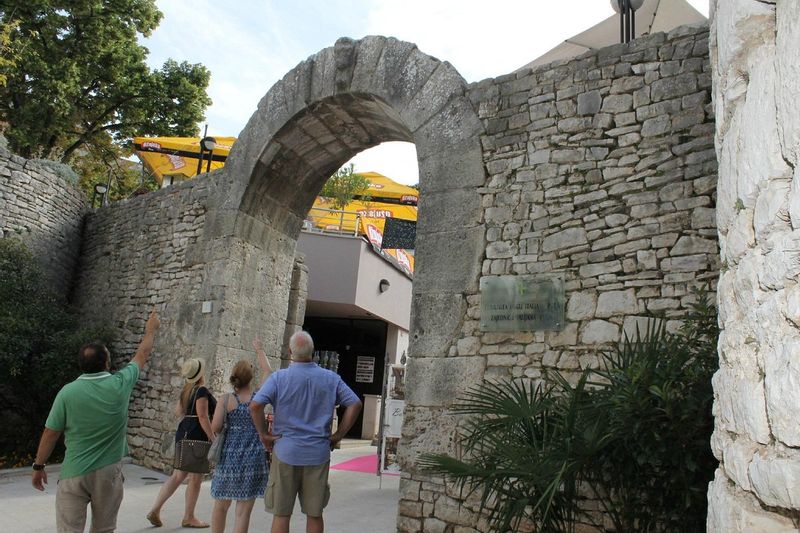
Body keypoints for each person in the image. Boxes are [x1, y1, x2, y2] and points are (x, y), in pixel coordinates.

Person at [31, 308, 161, 533]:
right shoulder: (120, 384)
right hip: (108, 473)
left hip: (74, 472)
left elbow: (50, 433)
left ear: (81, 364)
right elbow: (142, 354)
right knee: (104, 529)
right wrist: (151, 330)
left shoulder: (67, 392)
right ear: (107, 363)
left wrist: (38, 466)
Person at [250, 331, 362, 533]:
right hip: (317, 453)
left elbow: (255, 406)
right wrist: (338, 436)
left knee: (281, 514)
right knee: (314, 514)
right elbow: (354, 403)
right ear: (313, 352)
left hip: (286, 451)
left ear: (290, 351)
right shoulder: (331, 378)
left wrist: (264, 434)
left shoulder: (279, 378)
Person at [209, 338, 273, 533]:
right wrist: (260, 349)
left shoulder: (226, 399)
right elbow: (269, 372)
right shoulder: (258, 397)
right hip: (253, 458)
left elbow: (216, 427)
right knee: (243, 511)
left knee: (221, 506)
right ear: (250, 378)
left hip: (229, 458)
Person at [147, 357, 216, 529]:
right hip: (196, 437)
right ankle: (189, 517)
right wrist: (213, 438)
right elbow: (202, 416)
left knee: (178, 475)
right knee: (196, 478)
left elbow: (178, 411)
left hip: (183, 433)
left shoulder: (187, 389)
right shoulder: (201, 390)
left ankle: (155, 509)